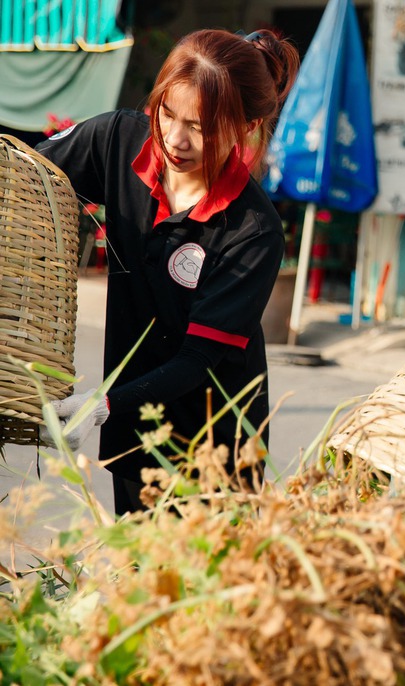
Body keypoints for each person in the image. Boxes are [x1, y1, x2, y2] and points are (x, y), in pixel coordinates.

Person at [36, 29, 301, 516]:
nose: (176, 140)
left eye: (201, 127)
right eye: (167, 113)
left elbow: (196, 359)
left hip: (217, 452)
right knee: (135, 576)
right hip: (135, 436)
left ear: (246, 125)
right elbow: (27, 171)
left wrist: (103, 403)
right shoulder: (118, 140)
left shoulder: (252, 230)